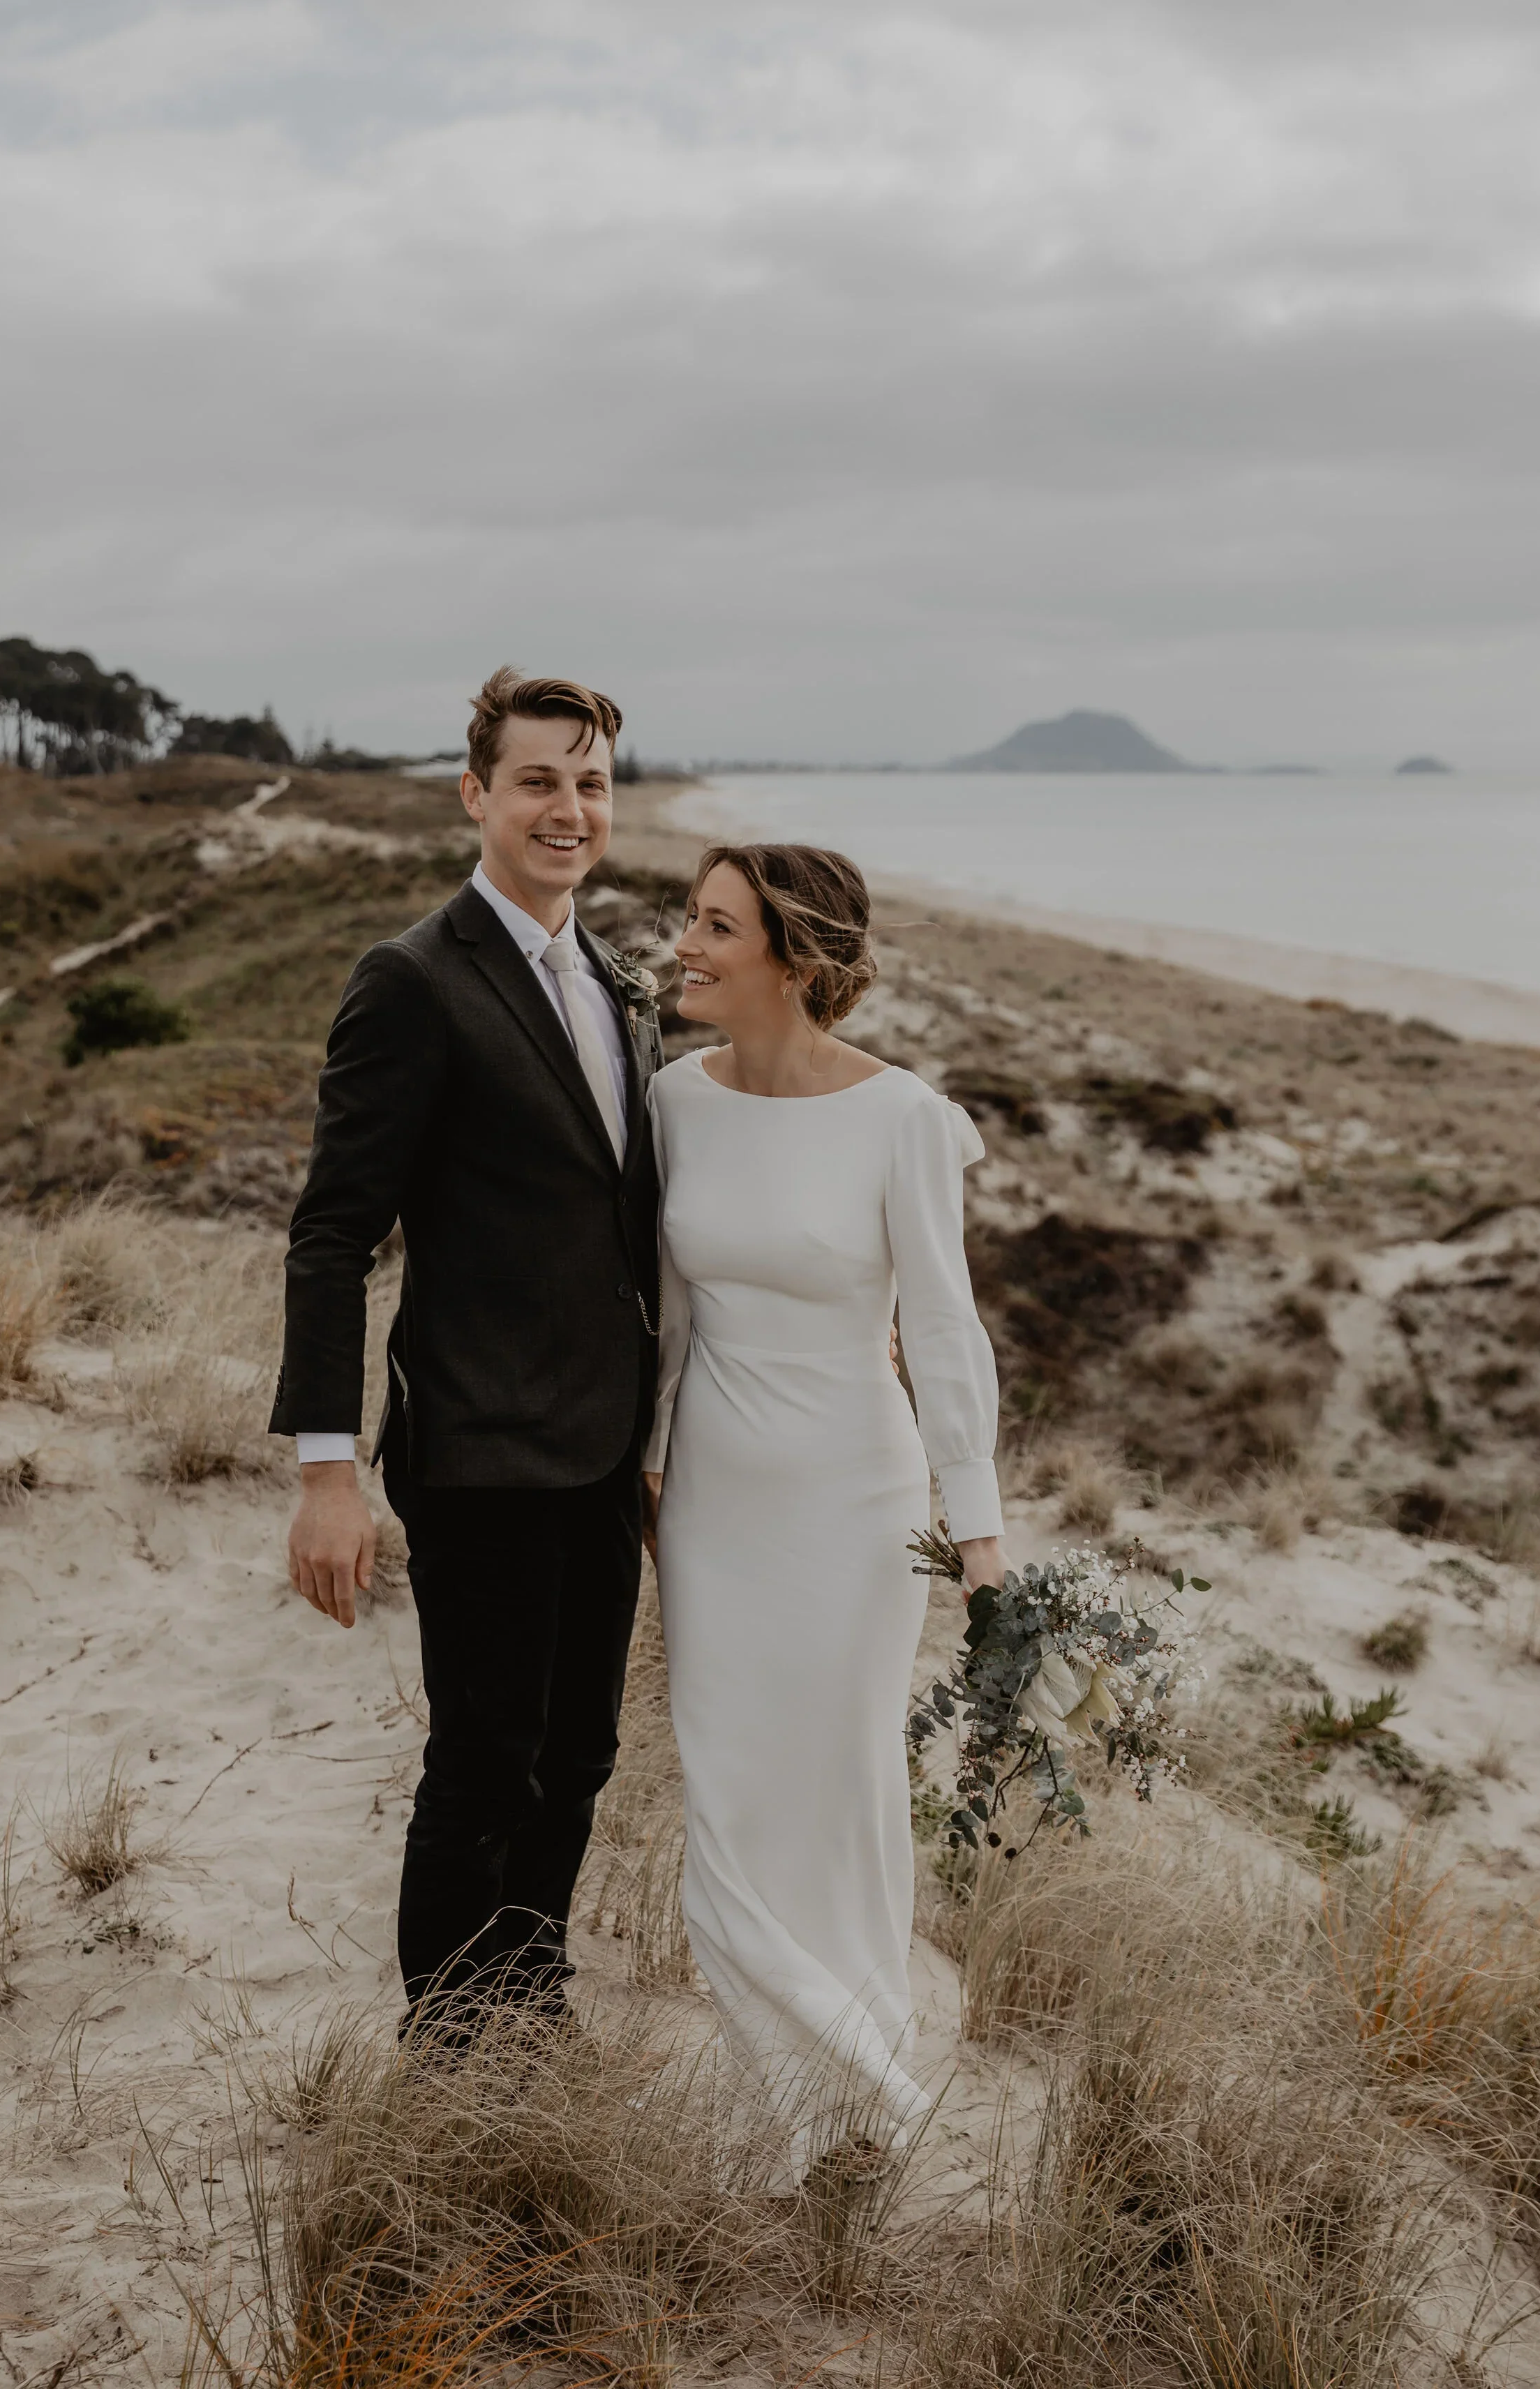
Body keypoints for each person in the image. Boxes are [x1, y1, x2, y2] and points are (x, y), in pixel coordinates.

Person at [271, 666, 663, 2032]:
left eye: (593, 781)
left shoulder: (615, 989)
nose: (570, 808)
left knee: (581, 1753)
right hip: (481, 1446)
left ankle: (529, 1986)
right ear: (476, 794)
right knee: (487, 1760)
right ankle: (449, 2048)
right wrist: (326, 1472)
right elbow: (332, 1236)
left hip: (607, 1452)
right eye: (540, 779)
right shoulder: (414, 982)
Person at [641, 843, 1003, 2169]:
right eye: (690, 916)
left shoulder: (902, 1117)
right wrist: (646, 1452)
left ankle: (860, 2075)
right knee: (731, 1791)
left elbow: (948, 1335)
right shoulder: (674, 1100)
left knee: (842, 1785)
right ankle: (784, 2101)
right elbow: (668, 1312)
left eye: (715, 924)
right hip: (714, 1501)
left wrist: (982, 1537)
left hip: (857, 1498)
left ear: (793, 960)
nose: (684, 942)